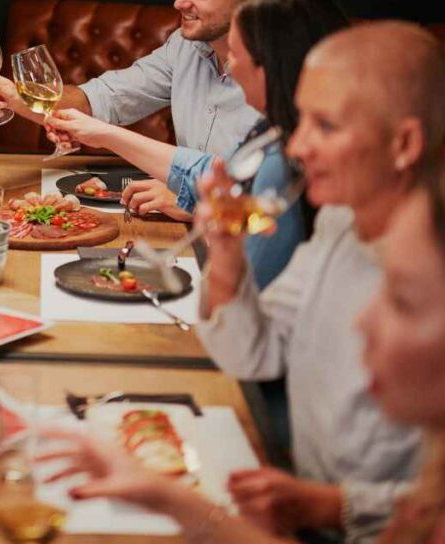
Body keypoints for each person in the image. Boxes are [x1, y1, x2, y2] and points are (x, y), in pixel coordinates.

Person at [37, 159, 445, 544]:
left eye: (403, 301)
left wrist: (182, 505)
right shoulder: (341, 220)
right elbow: (255, 351)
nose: (360, 322)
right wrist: (170, 499)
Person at [193, 21, 444, 541]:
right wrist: (225, 255)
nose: (299, 146)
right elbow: (254, 353)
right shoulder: (338, 222)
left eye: (325, 126)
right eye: (300, 120)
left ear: (404, 144)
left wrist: (332, 506)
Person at [47, 0, 349, 288]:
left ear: (270, 64)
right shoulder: (275, 132)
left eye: (236, 52)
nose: (229, 65)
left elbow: (257, 296)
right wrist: (105, 134)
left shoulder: (290, 157)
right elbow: (211, 174)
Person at [0, 0, 274, 219]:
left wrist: (193, 199)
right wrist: (18, 98)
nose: (179, 2)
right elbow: (101, 101)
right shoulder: (184, 46)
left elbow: (267, 191)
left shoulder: (285, 71)